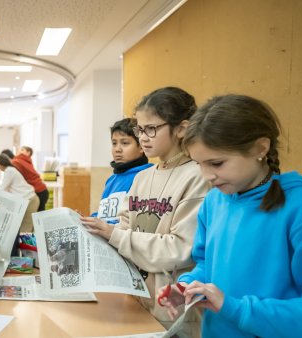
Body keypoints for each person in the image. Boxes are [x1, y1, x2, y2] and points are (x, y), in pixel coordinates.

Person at [161, 94, 302, 338]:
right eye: (199, 164)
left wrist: (236, 308)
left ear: (260, 148)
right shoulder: (213, 201)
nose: (206, 175)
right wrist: (188, 285)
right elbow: (206, 264)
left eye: (217, 163)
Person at [81, 87, 211, 337]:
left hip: (174, 310)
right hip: (139, 300)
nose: (143, 137)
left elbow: (180, 250)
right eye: (140, 129)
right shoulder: (142, 177)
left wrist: (115, 234)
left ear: (181, 128)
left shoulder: (197, 175)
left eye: (151, 129)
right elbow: (123, 225)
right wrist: (93, 231)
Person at [91, 118, 152, 223]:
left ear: (141, 146)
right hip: (103, 237)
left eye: (124, 143)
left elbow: (135, 221)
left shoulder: (147, 176)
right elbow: (103, 215)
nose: (117, 149)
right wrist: (86, 220)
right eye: (114, 143)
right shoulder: (112, 179)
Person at [0, 153, 40, 233]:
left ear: (0, 164)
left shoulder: (9, 170)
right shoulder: (12, 169)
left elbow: (2, 188)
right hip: (30, 199)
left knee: (25, 231)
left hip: (30, 200)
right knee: (26, 229)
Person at [12, 146, 49, 211]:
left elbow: (13, 163)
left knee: (38, 216)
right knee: (39, 215)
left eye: (22, 150)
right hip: (42, 190)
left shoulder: (19, 160)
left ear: (28, 153)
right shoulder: (27, 161)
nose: (20, 152)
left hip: (39, 192)